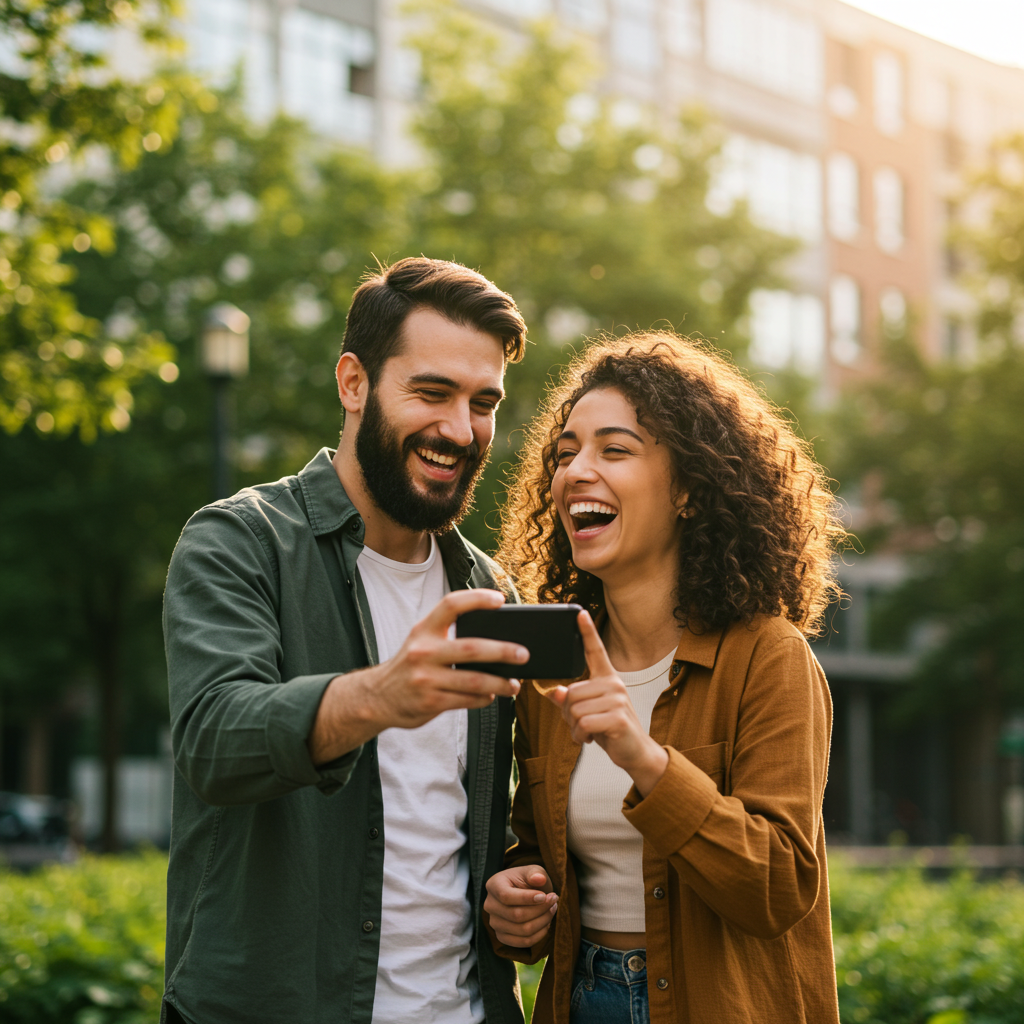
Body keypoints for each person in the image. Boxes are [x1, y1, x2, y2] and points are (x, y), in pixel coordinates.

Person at [162, 257, 533, 1024]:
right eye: (431, 393)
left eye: (483, 403)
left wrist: (523, 886)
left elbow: (489, 820)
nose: (460, 431)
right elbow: (212, 739)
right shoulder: (239, 540)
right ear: (354, 383)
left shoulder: (493, 590)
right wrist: (379, 694)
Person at [484, 332, 846, 1024]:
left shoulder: (767, 656)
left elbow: (777, 887)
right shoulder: (552, 667)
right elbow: (534, 850)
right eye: (565, 455)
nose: (575, 473)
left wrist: (641, 756)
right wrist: (514, 896)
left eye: (613, 450)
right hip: (580, 999)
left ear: (686, 489)